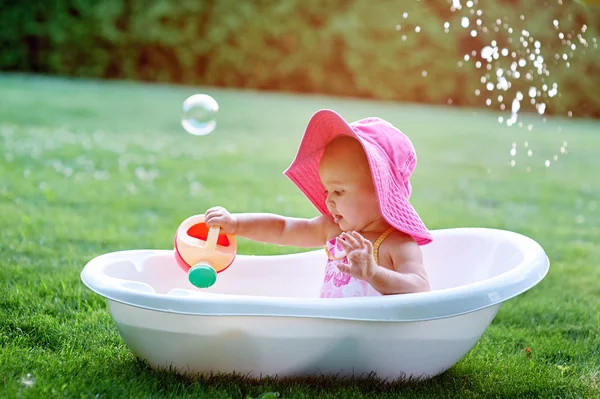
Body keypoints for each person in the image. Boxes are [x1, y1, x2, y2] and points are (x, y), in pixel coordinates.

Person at [204, 109, 433, 298]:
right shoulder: (333, 230)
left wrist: (374, 273)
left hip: (375, 340)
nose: (328, 200)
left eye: (339, 191)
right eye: (327, 191)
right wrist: (235, 223)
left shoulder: (397, 244)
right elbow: (283, 229)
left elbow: (420, 287)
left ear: (379, 191)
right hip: (330, 332)